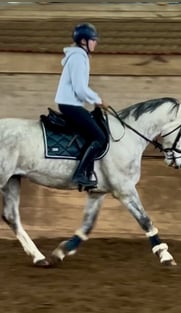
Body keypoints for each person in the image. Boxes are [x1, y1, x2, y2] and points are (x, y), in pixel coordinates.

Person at [54, 22, 109, 190]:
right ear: (84, 41)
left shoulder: (79, 56)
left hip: (71, 103)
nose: (95, 43)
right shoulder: (78, 58)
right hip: (70, 104)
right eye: (93, 40)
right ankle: (80, 173)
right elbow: (80, 89)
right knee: (100, 138)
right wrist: (98, 100)